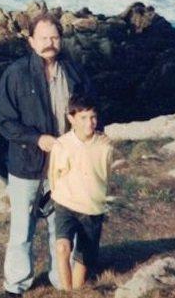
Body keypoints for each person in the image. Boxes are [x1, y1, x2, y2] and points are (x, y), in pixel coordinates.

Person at [0, 12, 94, 297]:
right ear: (31, 41)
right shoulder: (15, 74)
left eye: (55, 37)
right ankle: (15, 286)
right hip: (25, 167)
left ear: (60, 39)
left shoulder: (74, 73)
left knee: (59, 227)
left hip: (64, 168)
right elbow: (3, 120)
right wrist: (37, 139)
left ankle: (60, 279)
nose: (50, 43)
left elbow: (90, 113)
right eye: (43, 38)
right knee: (22, 230)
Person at [49, 94, 112, 290]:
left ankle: (75, 291)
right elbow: (54, 176)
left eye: (93, 117)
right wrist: (60, 195)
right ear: (71, 119)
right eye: (83, 118)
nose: (89, 123)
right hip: (65, 204)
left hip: (92, 208)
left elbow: (104, 175)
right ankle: (66, 292)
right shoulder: (62, 145)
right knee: (61, 248)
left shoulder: (105, 145)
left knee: (83, 259)